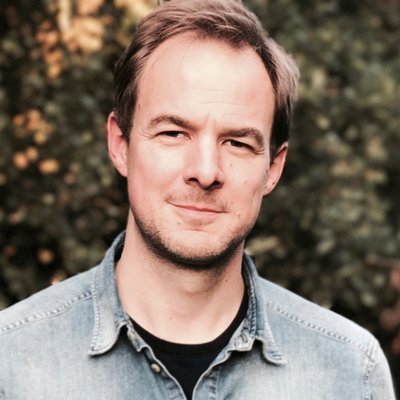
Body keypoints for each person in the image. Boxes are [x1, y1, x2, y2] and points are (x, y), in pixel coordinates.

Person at [0, 0, 395, 398]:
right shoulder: (12, 363)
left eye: (237, 143)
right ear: (120, 144)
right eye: (173, 133)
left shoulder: (349, 373)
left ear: (273, 168)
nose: (205, 172)